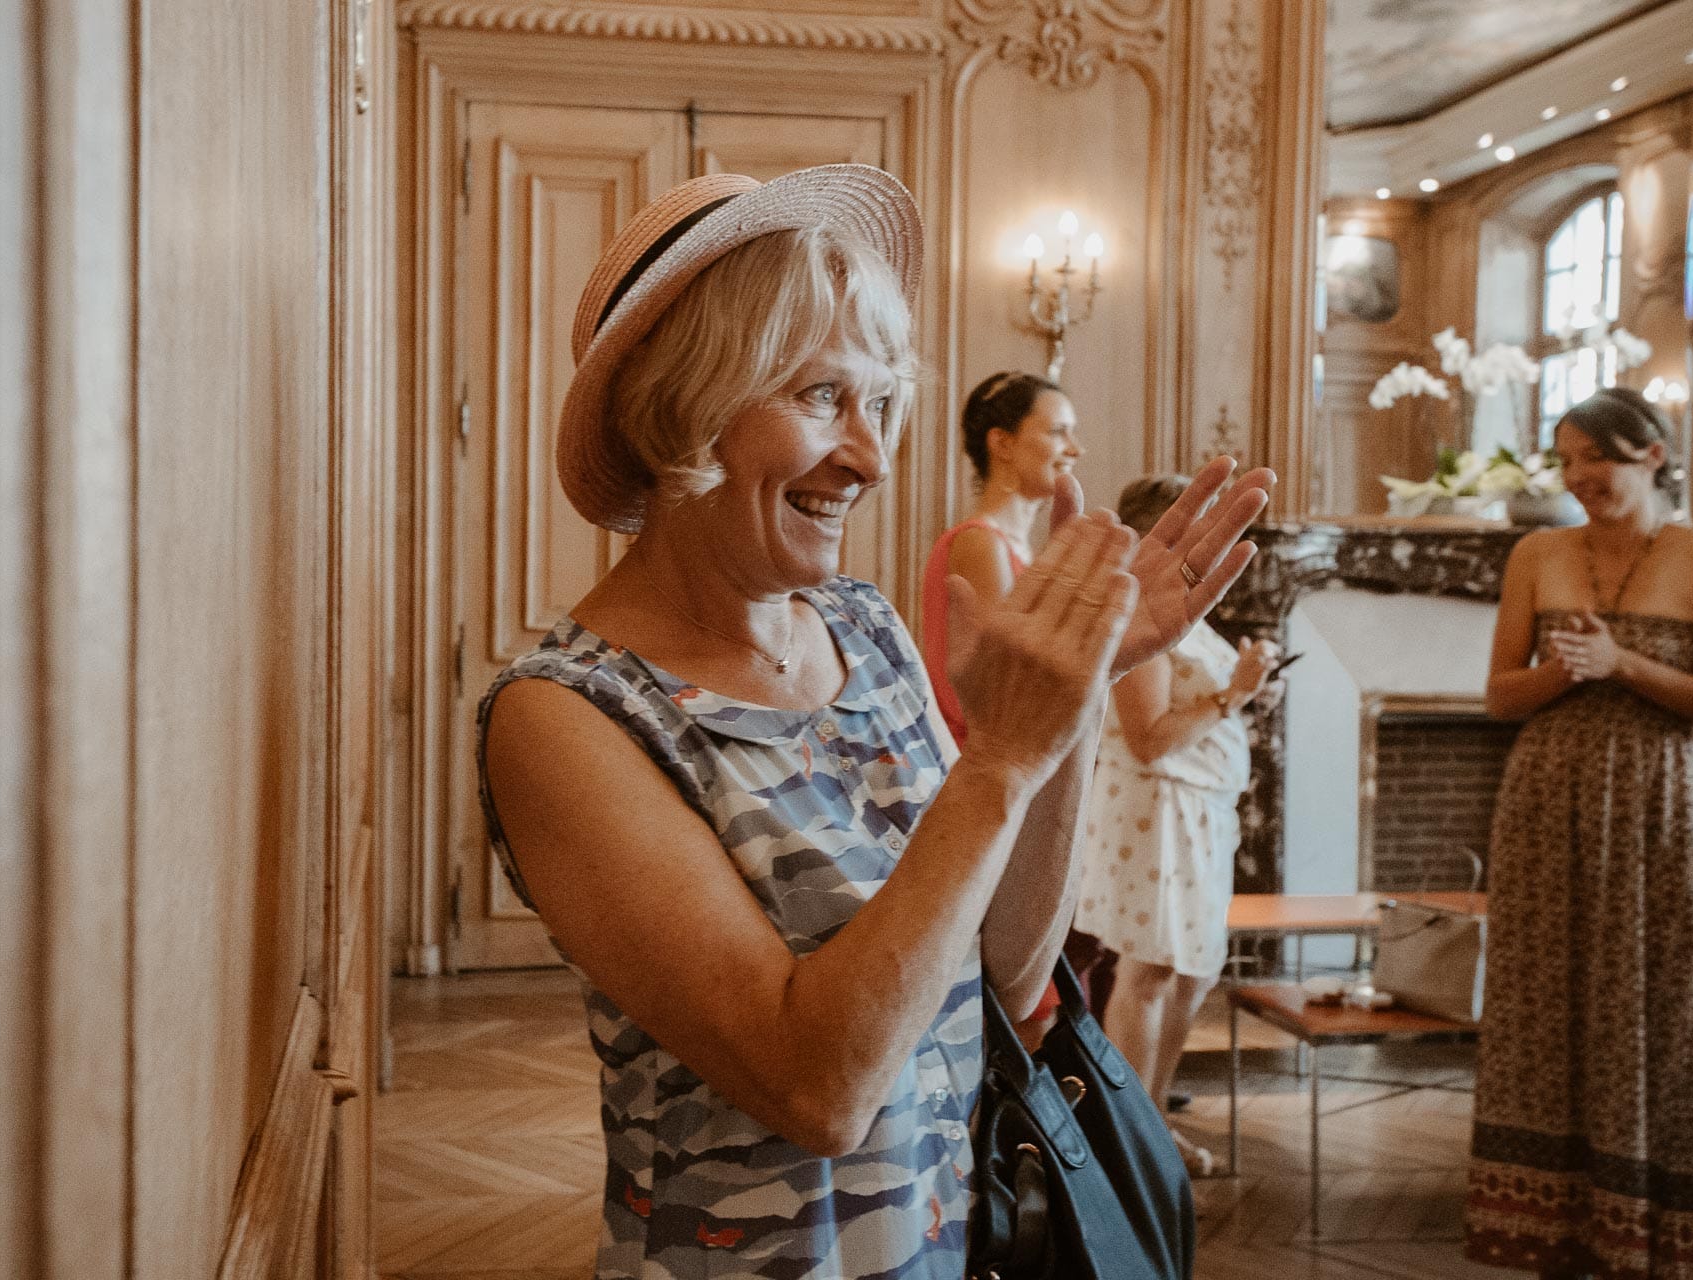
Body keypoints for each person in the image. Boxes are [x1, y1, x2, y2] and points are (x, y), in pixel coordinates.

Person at [476, 164, 1273, 1277]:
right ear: (683, 404)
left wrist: (1081, 686)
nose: (873, 456)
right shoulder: (567, 715)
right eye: (819, 398)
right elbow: (819, 1088)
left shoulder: (863, 624)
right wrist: (999, 755)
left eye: (879, 401)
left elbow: (1002, 965)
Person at [1465, 387, 1693, 1279]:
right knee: (1547, 1001)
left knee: (1662, 1003)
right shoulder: (1537, 553)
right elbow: (1498, 695)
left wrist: (1624, 663)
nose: (1577, 479)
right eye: (1565, 461)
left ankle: (1651, 1228)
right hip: (1547, 803)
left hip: (1663, 805)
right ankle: (1551, 1228)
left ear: (1651, 453)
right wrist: (1566, 678)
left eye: (1592, 459)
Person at [1074, 474, 1277, 1179]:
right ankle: (1124, 1138)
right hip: (1156, 814)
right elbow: (1150, 738)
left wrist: (1237, 687)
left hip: (1199, 813)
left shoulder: (1193, 611)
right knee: (1151, 972)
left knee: (1189, 973)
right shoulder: (1140, 615)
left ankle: (1152, 1120)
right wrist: (1234, 695)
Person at [918, 371, 1087, 1034]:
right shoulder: (979, 542)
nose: (1075, 448)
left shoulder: (1021, 548)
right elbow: (1003, 690)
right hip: (983, 782)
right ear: (1004, 444)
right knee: (1016, 1007)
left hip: (1023, 785)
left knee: (1026, 1002)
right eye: (1058, 430)